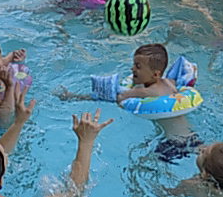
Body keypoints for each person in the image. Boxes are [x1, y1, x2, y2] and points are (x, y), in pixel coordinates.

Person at [56, 44, 202, 161]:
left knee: (140, 165)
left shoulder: (147, 92)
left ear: (155, 74)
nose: (132, 69)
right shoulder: (170, 83)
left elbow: (119, 98)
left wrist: (75, 97)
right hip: (190, 136)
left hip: (175, 144)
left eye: (138, 66)